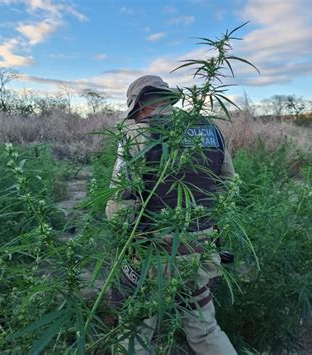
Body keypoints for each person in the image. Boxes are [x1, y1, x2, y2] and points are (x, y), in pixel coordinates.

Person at [106, 75, 237, 354]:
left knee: (136, 332)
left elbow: (120, 206)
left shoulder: (135, 134)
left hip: (151, 257)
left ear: (139, 104)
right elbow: (227, 187)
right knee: (205, 330)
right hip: (200, 254)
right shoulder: (211, 130)